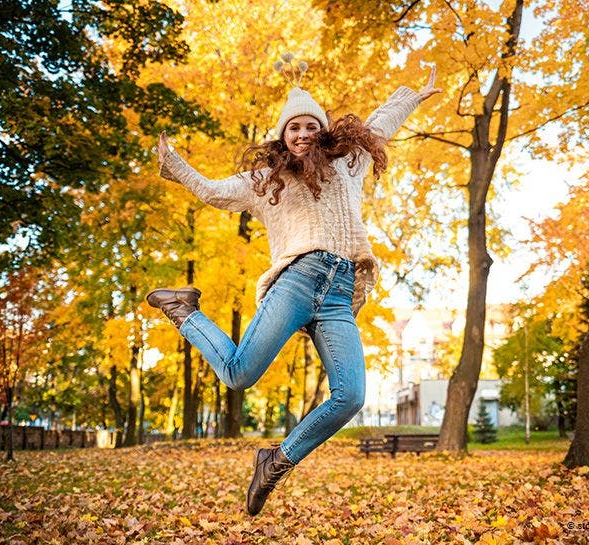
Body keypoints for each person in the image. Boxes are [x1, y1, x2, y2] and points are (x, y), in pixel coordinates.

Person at [148, 58, 441, 516]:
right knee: (239, 375)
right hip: (297, 282)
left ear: (321, 131)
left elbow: (378, 126)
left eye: (309, 126)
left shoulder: (349, 164)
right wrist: (174, 163)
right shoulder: (267, 181)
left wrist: (411, 98)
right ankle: (186, 311)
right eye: (293, 129)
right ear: (282, 136)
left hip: (340, 293)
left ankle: (276, 461)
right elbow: (212, 192)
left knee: (351, 396)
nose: (301, 134)